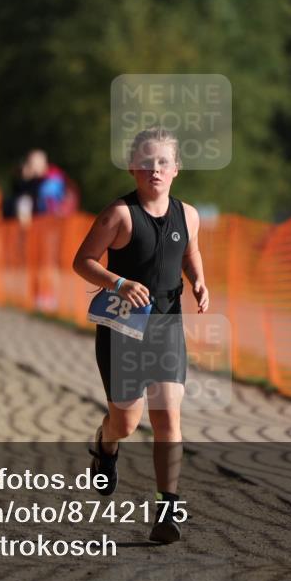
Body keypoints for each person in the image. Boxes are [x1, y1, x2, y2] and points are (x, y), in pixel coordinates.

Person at [71, 127, 209, 544]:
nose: (155, 170)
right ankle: (105, 444)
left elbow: (189, 251)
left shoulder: (188, 215)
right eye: (147, 163)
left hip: (166, 322)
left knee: (168, 413)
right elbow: (83, 261)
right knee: (126, 421)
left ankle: (168, 508)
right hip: (123, 326)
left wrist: (200, 280)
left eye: (163, 162)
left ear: (176, 169)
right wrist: (118, 283)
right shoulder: (119, 215)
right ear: (133, 167)